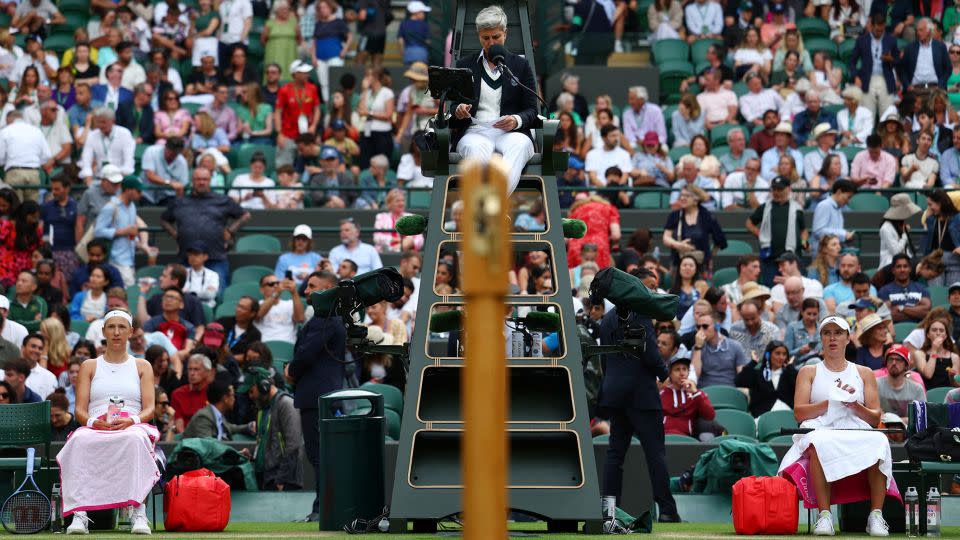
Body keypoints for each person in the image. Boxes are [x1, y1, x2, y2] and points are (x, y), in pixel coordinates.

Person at [778, 315, 894, 537]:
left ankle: (876, 516)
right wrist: (831, 403)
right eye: (827, 333)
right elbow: (799, 412)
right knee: (819, 441)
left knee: (879, 440)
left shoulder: (864, 373)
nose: (833, 338)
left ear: (848, 338)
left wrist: (854, 406)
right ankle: (824, 516)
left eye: (838, 333)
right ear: (821, 338)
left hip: (854, 426)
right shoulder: (808, 371)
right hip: (820, 427)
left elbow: (874, 416)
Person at [61, 310, 157, 535]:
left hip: (132, 426)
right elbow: (80, 411)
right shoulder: (89, 365)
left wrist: (131, 420)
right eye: (111, 327)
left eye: (122, 327)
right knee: (79, 440)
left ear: (131, 332)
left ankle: (138, 512)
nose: (116, 332)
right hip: (96, 427)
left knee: (135, 439)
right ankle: (79, 514)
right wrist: (95, 422)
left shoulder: (143, 366)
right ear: (103, 331)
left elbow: (150, 409)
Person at [599, 297, 680, 522]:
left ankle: (610, 511)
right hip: (641, 394)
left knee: (615, 454)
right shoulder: (640, 315)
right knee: (655, 453)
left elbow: (605, 358)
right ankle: (666, 510)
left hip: (615, 392)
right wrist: (665, 374)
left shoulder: (607, 319)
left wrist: (612, 383)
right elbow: (650, 352)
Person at [449, 6, 537, 197]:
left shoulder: (520, 65)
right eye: (485, 38)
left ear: (505, 33)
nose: (491, 42)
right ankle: (492, 207)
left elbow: (532, 108)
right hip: (475, 130)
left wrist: (516, 120)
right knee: (476, 148)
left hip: (511, 130)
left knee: (520, 145)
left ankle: (490, 205)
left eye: (496, 37)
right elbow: (453, 104)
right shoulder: (465, 64)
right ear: (479, 36)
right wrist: (459, 110)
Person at [290, 298, 346, 520]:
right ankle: (325, 507)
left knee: (320, 455)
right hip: (322, 395)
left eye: (312, 286)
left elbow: (305, 354)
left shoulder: (326, 320)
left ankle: (323, 509)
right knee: (321, 455)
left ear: (327, 290)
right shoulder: (331, 319)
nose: (307, 291)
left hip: (317, 397)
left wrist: (291, 370)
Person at [161, 167, 250, 289]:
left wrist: (230, 230)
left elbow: (245, 215)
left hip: (215, 257)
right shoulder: (180, 202)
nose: (201, 182)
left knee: (218, 293)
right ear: (192, 181)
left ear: (210, 180)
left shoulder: (223, 200)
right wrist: (175, 234)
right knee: (179, 293)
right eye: (198, 179)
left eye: (205, 179)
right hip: (186, 258)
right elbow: (163, 220)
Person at [241, 366, 303, 491]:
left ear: (264, 386)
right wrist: (253, 455)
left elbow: (293, 446)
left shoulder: (287, 405)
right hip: (266, 478)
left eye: (251, 391)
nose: (250, 396)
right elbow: (267, 443)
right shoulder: (262, 409)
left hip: (282, 481)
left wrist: (281, 480)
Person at [746, 176, 807, 286]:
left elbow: (803, 230)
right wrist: (761, 235)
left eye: (780, 189)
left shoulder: (797, 208)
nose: (777, 192)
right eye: (774, 189)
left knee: (794, 287)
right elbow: (749, 223)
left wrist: (804, 243)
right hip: (770, 260)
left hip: (792, 260)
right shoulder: (764, 207)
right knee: (771, 290)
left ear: (788, 189)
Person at [849, 13, 900, 118]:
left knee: (888, 114)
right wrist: (856, 77)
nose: (880, 33)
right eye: (877, 30)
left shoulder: (891, 40)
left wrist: (890, 59)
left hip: (885, 78)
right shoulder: (862, 40)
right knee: (868, 114)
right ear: (871, 26)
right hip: (868, 79)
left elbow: (898, 61)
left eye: (882, 31)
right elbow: (852, 62)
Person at [94, 177, 141, 287]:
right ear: (128, 190)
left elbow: (131, 231)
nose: (141, 194)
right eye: (138, 191)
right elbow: (98, 231)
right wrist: (123, 232)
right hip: (115, 260)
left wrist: (141, 245)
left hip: (130, 259)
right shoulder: (110, 207)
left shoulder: (132, 207)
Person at [275, 60, 321, 167]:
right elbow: (278, 112)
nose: (307, 75)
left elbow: (317, 109)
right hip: (288, 134)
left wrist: (314, 125)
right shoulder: (284, 90)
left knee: (309, 166)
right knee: (284, 166)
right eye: (303, 72)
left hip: (307, 135)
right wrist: (279, 133)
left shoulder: (312, 88)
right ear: (295, 74)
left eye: (307, 72)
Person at [735, 340, 797, 417]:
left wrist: (790, 368)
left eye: (784, 354)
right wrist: (753, 363)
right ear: (768, 355)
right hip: (763, 417)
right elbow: (739, 382)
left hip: (787, 415)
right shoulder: (758, 374)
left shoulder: (789, 374)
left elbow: (799, 388)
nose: (781, 357)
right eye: (777, 353)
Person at [660, 355, 716, 440]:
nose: (682, 373)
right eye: (677, 369)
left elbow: (710, 416)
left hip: (688, 439)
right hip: (664, 437)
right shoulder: (662, 394)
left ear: (688, 373)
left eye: (684, 369)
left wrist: (695, 393)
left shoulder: (697, 394)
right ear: (670, 374)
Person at [78, 107, 137, 185]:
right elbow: (86, 161)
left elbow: (128, 163)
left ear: (113, 121)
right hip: (100, 179)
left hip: (121, 178)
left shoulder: (124, 134)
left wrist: (116, 179)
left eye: (103, 122)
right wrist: (89, 180)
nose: (100, 125)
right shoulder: (92, 136)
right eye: (98, 122)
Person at [692, 311, 749, 387]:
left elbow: (742, 377)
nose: (700, 331)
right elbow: (694, 376)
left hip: (730, 391)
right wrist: (698, 347)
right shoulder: (697, 348)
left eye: (705, 326)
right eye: (698, 327)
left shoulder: (735, 346)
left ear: (717, 326)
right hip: (706, 392)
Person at [182, 380, 253, 440]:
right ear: (225, 398)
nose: (234, 399)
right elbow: (207, 446)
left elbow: (229, 427)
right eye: (232, 395)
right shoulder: (203, 417)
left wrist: (248, 426)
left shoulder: (217, 413)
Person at [877, 344, 926, 423]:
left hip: (908, 433)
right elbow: (872, 414)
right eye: (890, 359)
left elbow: (921, 418)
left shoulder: (917, 389)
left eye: (898, 360)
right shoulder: (876, 384)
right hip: (881, 430)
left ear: (906, 366)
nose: (894, 363)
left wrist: (894, 421)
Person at [879, 254, 931, 324]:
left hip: (917, 330)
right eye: (898, 267)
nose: (902, 270)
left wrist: (901, 308)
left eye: (905, 266)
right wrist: (916, 312)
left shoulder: (921, 289)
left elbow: (926, 313)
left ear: (910, 269)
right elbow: (886, 316)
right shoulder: (884, 291)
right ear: (893, 270)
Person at [901, 18, 950, 91]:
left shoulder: (940, 47)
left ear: (929, 31)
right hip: (915, 89)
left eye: (921, 30)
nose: (918, 33)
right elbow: (902, 70)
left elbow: (948, 68)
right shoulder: (910, 48)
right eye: (917, 30)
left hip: (935, 89)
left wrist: (941, 85)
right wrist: (907, 85)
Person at [911, 318, 960, 390]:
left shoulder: (954, 357)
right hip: (927, 396)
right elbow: (928, 374)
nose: (938, 333)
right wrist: (934, 350)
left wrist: (951, 377)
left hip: (947, 396)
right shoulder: (920, 354)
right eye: (934, 330)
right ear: (928, 334)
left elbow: (957, 385)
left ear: (946, 335)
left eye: (941, 330)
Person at [256, 273, 304, 344]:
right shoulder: (257, 304)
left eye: (277, 283)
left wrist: (294, 292)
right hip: (265, 346)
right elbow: (258, 314)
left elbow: (300, 319)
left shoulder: (289, 304)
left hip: (288, 346)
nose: (275, 286)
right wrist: (277, 292)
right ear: (262, 290)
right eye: (271, 284)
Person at [811, 180, 857, 255]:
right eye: (848, 197)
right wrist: (844, 234)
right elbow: (818, 231)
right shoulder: (824, 205)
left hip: (833, 254)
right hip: (822, 256)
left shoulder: (838, 208)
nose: (848, 201)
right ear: (839, 192)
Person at [170, 353, 213, 432]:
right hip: (185, 438)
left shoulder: (213, 392)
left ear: (207, 372)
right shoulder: (178, 394)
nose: (192, 373)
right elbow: (179, 423)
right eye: (190, 369)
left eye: (196, 369)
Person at [878, 194, 921, 270]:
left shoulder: (899, 224)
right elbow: (896, 252)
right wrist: (905, 235)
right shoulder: (886, 228)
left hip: (903, 265)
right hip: (889, 268)